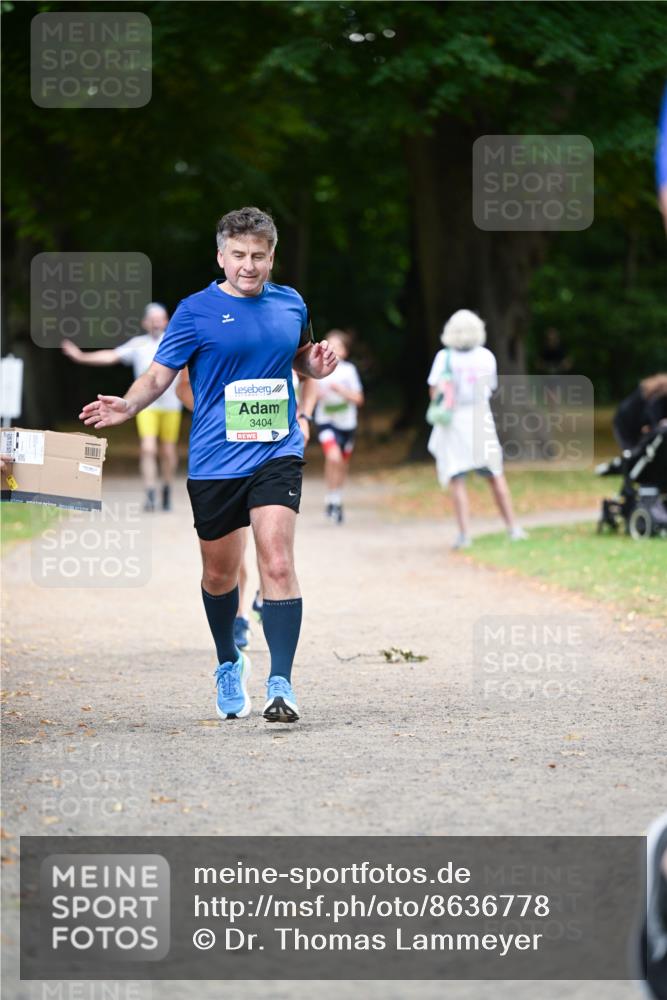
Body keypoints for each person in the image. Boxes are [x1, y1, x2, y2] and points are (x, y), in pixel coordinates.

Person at [79, 206, 337, 724]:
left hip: (277, 449)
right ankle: (228, 661)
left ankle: (281, 684)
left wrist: (314, 363)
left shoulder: (291, 303)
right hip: (216, 458)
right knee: (220, 575)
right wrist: (129, 405)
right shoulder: (194, 311)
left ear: (272, 257)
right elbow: (159, 375)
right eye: (238, 255)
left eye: (258, 256)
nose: (248, 266)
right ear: (221, 256)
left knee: (277, 562)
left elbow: (298, 354)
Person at [62, 302, 182, 512]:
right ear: (145, 323)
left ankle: (166, 489)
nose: (156, 323)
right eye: (152, 319)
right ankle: (150, 492)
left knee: (168, 451)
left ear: (166, 321)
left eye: (160, 319)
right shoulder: (139, 344)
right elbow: (111, 356)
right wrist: (81, 356)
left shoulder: (175, 342)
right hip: (146, 406)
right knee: (148, 448)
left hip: (172, 406)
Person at [427, 309, 526, 549]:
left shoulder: (444, 357)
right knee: (495, 475)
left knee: (457, 477)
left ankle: (464, 534)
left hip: (454, 421)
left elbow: (434, 390)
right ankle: (513, 527)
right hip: (481, 418)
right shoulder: (486, 356)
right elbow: (490, 387)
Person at [313, 329, 364, 523]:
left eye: (338, 346)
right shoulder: (317, 370)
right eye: (330, 345)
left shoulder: (349, 371)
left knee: (341, 463)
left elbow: (358, 399)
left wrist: (341, 391)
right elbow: (309, 395)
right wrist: (318, 395)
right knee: (333, 457)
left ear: (345, 351)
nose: (334, 349)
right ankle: (330, 497)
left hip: (347, 423)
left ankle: (336, 499)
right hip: (326, 421)